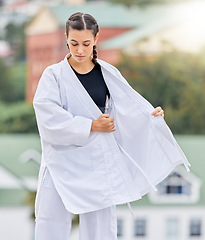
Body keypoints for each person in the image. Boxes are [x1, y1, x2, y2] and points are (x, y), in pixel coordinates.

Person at [33, 12, 190, 240]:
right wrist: (91, 126)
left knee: (100, 228)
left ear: (96, 39)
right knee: (50, 222)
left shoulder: (107, 72)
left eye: (86, 43)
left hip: (97, 158)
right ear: (66, 38)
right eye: (74, 43)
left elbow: (125, 110)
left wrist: (150, 116)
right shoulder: (53, 75)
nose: (80, 50)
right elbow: (48, 118)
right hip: (60, 159)